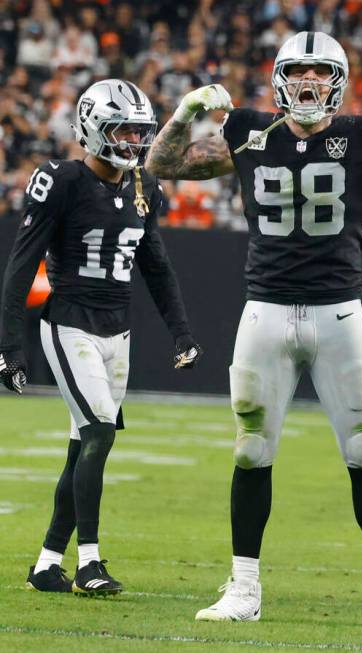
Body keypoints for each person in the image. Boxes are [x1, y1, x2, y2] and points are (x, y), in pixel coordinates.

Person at [145, 31, 362, 629]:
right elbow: (162, 165)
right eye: (298, 71)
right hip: (265, 311)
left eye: (321, 73)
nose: (308, 82)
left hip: (338, 312)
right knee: (250, 450)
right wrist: (185, 113)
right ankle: (244, 588)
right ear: (279, 78)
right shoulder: (249, 131)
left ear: (338, 81)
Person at [0, 79, 202, 596]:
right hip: (70, 324)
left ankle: (48, 562)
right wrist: (9, 345)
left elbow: (157, 267)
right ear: (93, 129)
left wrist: (181, 332)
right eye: (124, 129)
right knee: (99, 434)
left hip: (119, 332)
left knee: (83, 446)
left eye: (140, 130)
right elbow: (22, 264)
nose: (134, 141)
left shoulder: (143, 186)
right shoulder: (61, 179)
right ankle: (89, 561)